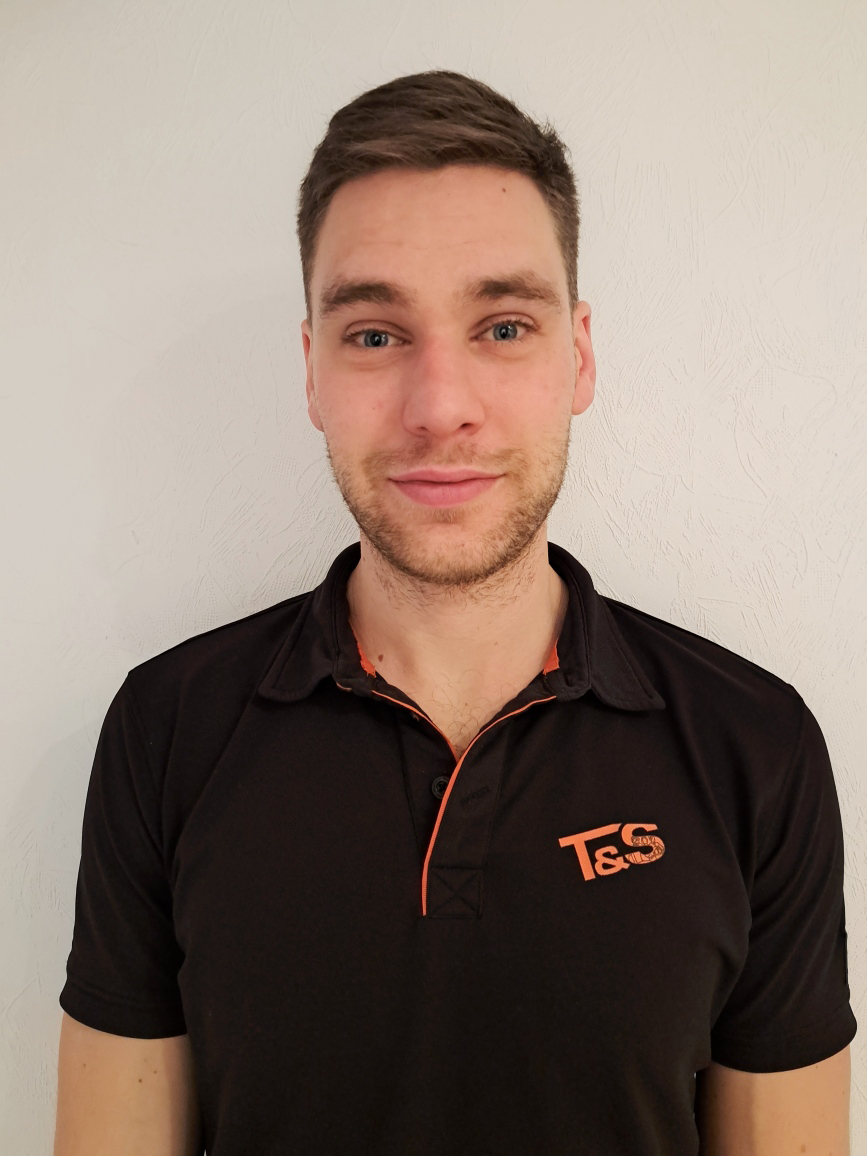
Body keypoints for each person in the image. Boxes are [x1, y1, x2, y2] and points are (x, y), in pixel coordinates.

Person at [53, 70, 856, 1155]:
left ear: (579, 356)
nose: (440, 408)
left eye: (503, 326)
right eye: (375, 335)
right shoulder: (167, 729)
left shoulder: (754, 745)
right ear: (312, 371)